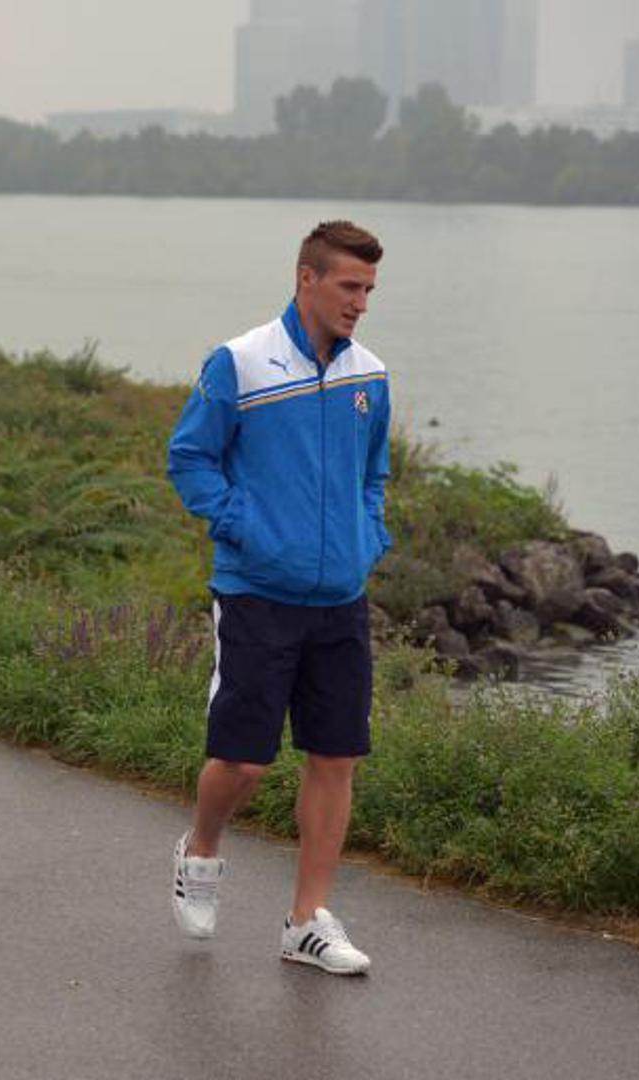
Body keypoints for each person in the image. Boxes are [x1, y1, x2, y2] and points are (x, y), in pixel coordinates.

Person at [165, 220, 391, 976]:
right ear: (306, 279)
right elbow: (190, 458)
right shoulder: (240, 362)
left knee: (336, 757)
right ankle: (200, 850)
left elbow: (374, 474)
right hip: (258, 592)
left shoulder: (370, 375)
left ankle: (306, 921)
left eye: (369, 289)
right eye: (349, 286)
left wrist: (369, 537)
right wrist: (246, 529)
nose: (360, 303)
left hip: (341, 598)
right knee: (243, 763)